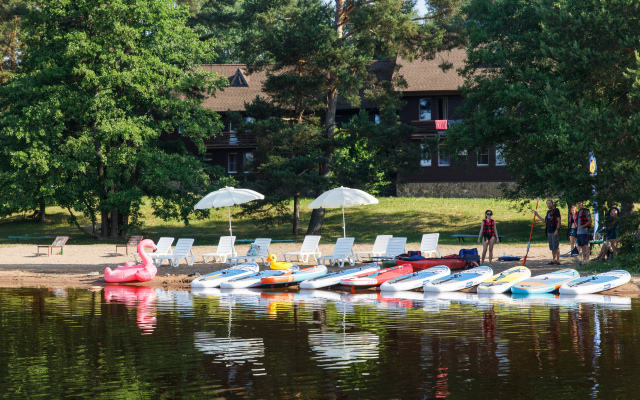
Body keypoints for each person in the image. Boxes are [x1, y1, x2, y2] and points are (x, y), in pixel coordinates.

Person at [534, 199, 562, 265]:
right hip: (549, 231)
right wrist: (537, 215)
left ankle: (558, 260)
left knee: (556, 246)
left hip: (554, 230)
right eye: (547, 204)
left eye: (549, 203)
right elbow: (544, 221)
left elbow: (559, 220)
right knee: (552, 246)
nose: (548, 205)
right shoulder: (548, 212)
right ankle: (554, 260)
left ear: (552, 203)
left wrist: (557, 230)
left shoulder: (556, 210)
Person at [575, 201, 592, 265]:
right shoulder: (578, 212)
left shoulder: (586, 211)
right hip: (579, 232)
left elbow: (590, 221)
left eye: (580, 203)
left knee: (585, 245)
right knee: (581, 246)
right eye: (578, 203)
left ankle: (587, 260)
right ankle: (584, 260)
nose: (579, 204)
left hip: (584, 231)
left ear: (582, 203)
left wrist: (583, 226)